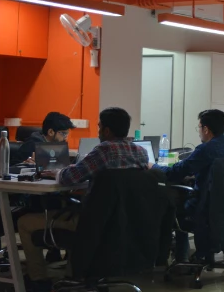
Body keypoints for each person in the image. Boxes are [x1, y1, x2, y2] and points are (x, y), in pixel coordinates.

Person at [17, 107, 149, 292]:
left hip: (92, 224)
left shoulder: (104, 150)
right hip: (125, 221)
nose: (98, 131)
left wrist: (57, 172)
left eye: (99, 127)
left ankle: (38, 279)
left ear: (107, 130)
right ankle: (74, 272)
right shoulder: (141, 153)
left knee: (24, 222)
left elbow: (69, 178)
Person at [153, 109, 224, 263]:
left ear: (206, 129)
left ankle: (178, 258)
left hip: (205, 208)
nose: (199, 131)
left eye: (199, 127)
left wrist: (153, 167)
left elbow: (175, 173)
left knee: (171, 207)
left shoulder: (205, 149)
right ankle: (185, 256)